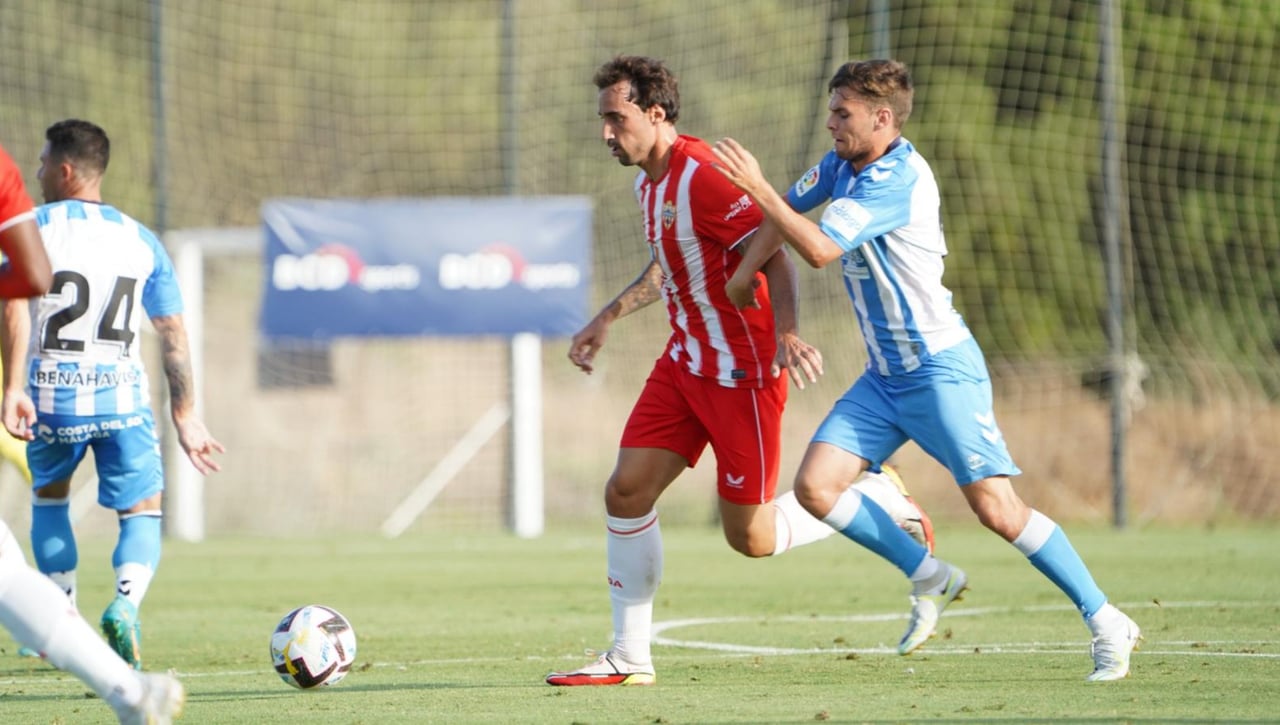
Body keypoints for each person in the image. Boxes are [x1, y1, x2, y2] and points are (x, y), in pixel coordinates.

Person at [710, 59, 1141, 681]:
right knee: (815, 488)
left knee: (997, 509)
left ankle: (1106, 620)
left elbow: (820, 248)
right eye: (832, 109)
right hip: (885, 378)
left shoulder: (897, 179)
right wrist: (746, 271)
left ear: (882, 119)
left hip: (939, 370)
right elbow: (780, 223)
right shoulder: (841, 163)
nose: (830, 122)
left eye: (843, 113)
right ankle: (929, 573)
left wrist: (758, 189)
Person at [545, 56, 935, 687]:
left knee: (751, 538)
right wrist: (608, 316)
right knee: (625, 491)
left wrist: (785, 332)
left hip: (741, 375)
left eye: (616, 119)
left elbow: (773, 244)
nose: (606, 134)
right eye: (603, 121)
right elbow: (672, 265)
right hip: (683, 362)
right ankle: (629, 656)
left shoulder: (703, 175)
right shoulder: (648, 182)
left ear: (655, 114)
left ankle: (877, 497)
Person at [1, 119, 224, 674]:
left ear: (66, 170)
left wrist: (12, 387)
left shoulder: (34, 232)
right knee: (142, 511)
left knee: (49, 502)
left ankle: (60, 616)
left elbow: (16, 306)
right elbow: (173, 332)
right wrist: (187, 415)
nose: (37, 171)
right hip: (122, 402)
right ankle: (125, 603)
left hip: (52, 398)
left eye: (44, 161)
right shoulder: (140, 238)